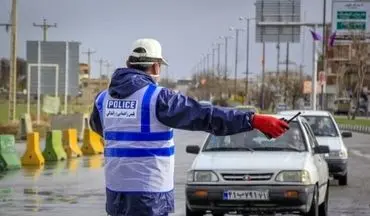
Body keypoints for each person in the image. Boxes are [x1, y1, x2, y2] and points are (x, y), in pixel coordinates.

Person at [89, 38, 290, 216]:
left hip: (115, 193)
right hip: (149, 194)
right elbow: (205, 116)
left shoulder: (102, 99)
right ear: (156, 67)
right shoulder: (158, 98)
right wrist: (252, 120)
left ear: (128, 64)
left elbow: (100, 128)